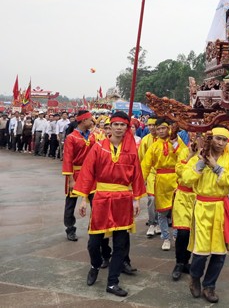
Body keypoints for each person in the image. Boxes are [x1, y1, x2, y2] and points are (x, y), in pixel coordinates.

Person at [73, 111, 146, 297]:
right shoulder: (98, 147)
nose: (119, 128)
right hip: (102, 198)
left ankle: (113, 282)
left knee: (120, 244)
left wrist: (136, 199)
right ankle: (94, 265)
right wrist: (83, 200)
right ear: (110, 126)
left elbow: (137, 175)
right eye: (116, 125)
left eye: (123, 125)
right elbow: (88, 173)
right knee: (93, 243)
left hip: (123, 199)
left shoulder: (131, 150)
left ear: (127, 128)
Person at [183, 126, 229, 303]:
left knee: (219, 252)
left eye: (224, 140)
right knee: (201, 251)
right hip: (201, 207)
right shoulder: (198, 157)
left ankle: (210, 285)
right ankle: (194, 277)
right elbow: (185, 179)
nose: (221, 143)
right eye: (217, 139)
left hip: (220, 208)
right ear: (211, 139)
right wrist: (200, 164)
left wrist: (216, 167)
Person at [142, 119, 188, 251]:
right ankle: (165, 237)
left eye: (164, 128)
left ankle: (176, 234)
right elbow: (146, 165)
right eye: (159, 129)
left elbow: (185, 156)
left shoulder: (177, 141)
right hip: (161, 180)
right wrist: (141, 181)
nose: (161, 131)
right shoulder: (154, 146)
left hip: (176, 179)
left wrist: (175, 145)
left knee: (177, 210)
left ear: (168, 128)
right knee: (162, 212)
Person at [62, 110, 96, 241]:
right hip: (75, 173)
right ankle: (70, 228)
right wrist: (70, 179)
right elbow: (67, 159)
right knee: (71, 203)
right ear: (83, 121)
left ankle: (94, 227)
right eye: (90, 120)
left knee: (94, 201)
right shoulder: (71, 138)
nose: (92, 122)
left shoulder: (92, 137)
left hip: (90, 173)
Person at [171, 136, 199, 281]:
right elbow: (179, 171)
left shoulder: (210, 155)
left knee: (195, 233)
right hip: (183, 195)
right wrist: (189, 156)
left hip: (198, 198)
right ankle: (179, 262)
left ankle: (188, 261)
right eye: (197, 136)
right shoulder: (184, 151)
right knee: (182, 232)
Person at [138, 117, 160, 238]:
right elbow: (141, 159)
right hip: (151, 172)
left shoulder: (166, 140)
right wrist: (143, 177)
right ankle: (152, 223)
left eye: (154, 125)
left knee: (162, 200)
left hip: (164, 174)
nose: (151, 127)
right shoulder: (145, 140)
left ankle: (161, 222)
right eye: (149, 125)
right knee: (151, 198)